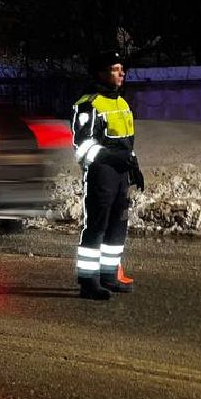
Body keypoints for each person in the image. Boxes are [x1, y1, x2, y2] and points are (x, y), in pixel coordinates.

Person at [70, 51, 145, 300]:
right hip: (101, 174)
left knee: (117, 226)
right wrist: (114, 159)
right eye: (115, 69)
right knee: (97, 227)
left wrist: (133, 166)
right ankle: (88, 281)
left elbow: (125, 143)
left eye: (122, 68)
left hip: (120, 174)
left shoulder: (121, 103)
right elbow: (83, 148)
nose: (121, 73)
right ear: (101, 73)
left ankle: (109, 274)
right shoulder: (89, 104)